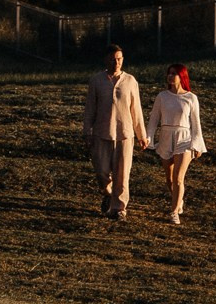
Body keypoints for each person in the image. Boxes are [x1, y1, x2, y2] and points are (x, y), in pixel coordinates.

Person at [80, 45, 145, 218]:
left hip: (125, 134)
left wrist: (142, 135)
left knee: (122, 174)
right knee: (101, 172)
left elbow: (136, 110)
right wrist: (87, 131)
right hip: (101, 133)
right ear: (106, 60)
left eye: (119, 59)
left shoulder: (130, 81)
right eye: (113, 59)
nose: (116, 62)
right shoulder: (96, 81)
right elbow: (90, 108)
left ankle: (119, 209)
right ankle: (108, 193)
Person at [148, 64, 206, 225]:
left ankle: (174, 212)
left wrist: (197, 144)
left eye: (174, 74)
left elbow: (196, 123)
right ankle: (178, 201)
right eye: (169, 73)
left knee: (178, 178)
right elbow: (154, 119)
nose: (170, 76)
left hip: (184, 139)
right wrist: (148, 138)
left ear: (182, 76)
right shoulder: (162, 96)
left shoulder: (191, 98)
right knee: (169, 179)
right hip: (166, 137)